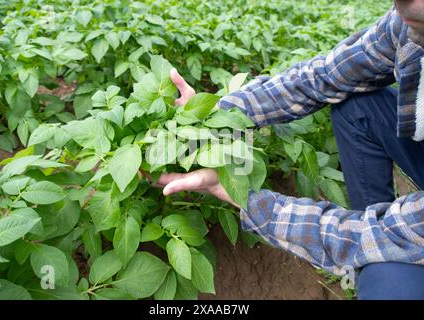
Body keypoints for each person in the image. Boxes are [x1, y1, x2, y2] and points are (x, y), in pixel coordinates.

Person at [156, 1, 424, 300]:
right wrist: (215, 112)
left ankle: (370, 269)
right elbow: (322, 77)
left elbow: (392, 234)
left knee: (388, 280)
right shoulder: (409, 23)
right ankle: (364, 252)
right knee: (357, 104)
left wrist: (251, 202)